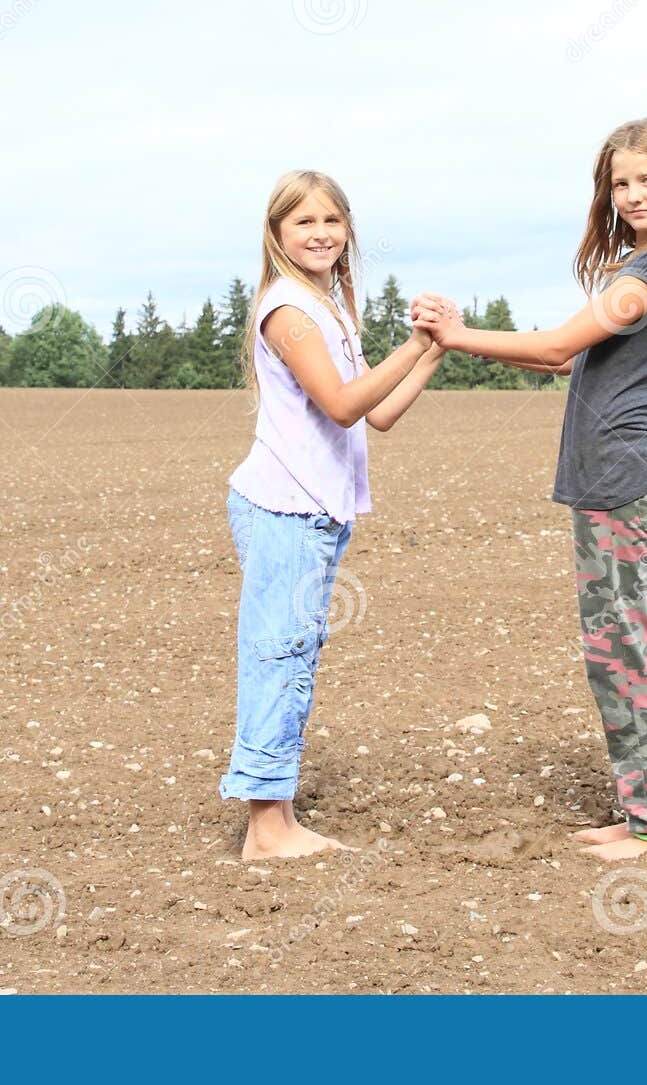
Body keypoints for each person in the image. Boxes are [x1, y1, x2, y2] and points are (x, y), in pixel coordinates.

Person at [412, 117, 647, 861]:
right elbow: (560, 363)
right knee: (622, 645)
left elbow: (554, 345)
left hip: (622, 475)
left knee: (622, 648)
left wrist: (455, 334)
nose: (633, 194)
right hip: (613, 476)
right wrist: (468, 339)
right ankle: (645, 807)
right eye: (621, 183)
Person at [222, 169, 444, 860]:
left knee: (294, 651)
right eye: (304, 222)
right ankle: (266, 828)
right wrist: (412, 344)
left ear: (348, 230)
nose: (320, 234)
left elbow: (377, 414)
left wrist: (434, 349)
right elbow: (341, 404)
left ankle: (277, 815)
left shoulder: (330, 308)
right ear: (278, 234)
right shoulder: (288, 309)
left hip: (314, 510)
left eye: (331, 222)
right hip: (284, 505)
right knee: (277, 652)